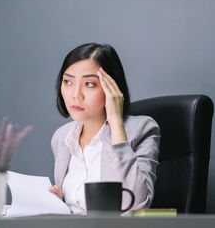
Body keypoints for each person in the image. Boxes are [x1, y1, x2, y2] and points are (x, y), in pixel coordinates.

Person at [48, 43, 160, 214]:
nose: (75, 95)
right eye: (68, 81)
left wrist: (115, 122)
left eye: (89, 84)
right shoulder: (62, 137)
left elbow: (137, 206)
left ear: (113, 88)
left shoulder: (142, 129)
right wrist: (60, 202)